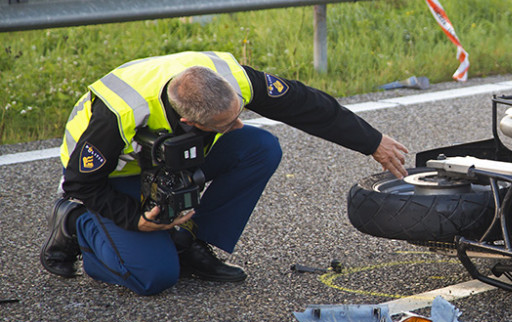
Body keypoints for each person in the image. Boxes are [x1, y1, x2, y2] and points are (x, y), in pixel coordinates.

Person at [40, 50, 408, 295]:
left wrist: (372, 141)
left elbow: (305, 105)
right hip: (109, 179)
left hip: (170, 161)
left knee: (259, 146)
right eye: (226, 123)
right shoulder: (119, 113)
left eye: (238, 113)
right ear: (187, 121)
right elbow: (81, 182)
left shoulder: (232, 79)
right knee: (153, 278)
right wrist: (135, 221)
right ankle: (76, 223)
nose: (237, 124)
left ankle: (191, 242)